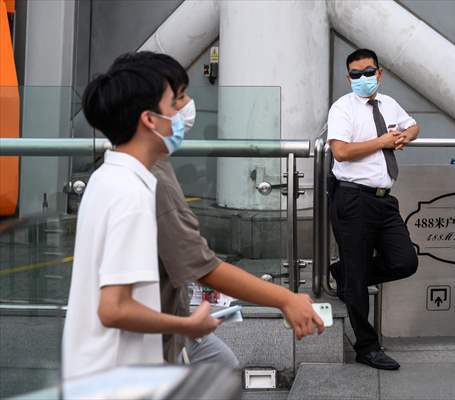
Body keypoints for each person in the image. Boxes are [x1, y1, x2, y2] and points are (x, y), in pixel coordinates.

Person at [108, 52, 325, 367]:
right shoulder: (151, 182)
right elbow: (205, 269)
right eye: (178, 100)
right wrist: (285, 298)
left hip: (169, 323)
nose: (189, 106)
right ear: (149, 117)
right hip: (150, 342)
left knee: (222, 366)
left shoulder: (134, 166)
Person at [62, 58, 221, 379]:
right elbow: (115, 309)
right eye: (175, 102)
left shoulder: (106, 177)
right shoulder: (132, 194)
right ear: (150, 119)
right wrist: (188, 325)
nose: (181, 114)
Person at [327, 49, 419, 370]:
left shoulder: (389, 104)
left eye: (368, 72)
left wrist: (405, 135)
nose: (363, 79)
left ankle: (345, 274)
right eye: (355, 74)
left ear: (380, 73)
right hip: (352, 200)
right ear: (348, 78)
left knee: (405, 261)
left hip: (384, 200)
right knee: (358, 277)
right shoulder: (342, 108)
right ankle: (367, 347)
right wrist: (382, 142)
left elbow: (413, 126)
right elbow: (340, 151)